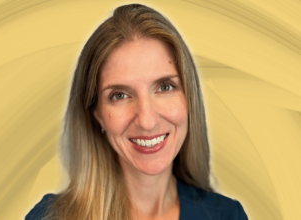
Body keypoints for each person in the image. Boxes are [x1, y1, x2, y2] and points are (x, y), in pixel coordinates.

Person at [25, 4, 248, 220]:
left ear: (190, 98)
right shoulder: (50, 218)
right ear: (97, 114)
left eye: (165, 87)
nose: (148, 121)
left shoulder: (228, 216)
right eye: (120, 95)